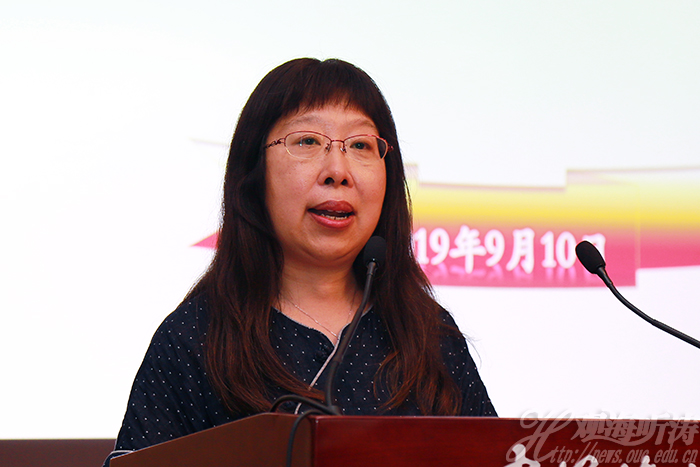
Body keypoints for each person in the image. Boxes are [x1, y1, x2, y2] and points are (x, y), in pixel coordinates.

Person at [103, 57, 496, 465]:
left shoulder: (431, 337)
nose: (338, 171)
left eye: (360, 145)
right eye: (307, 141)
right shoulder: (194, 337)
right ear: (254, 173)